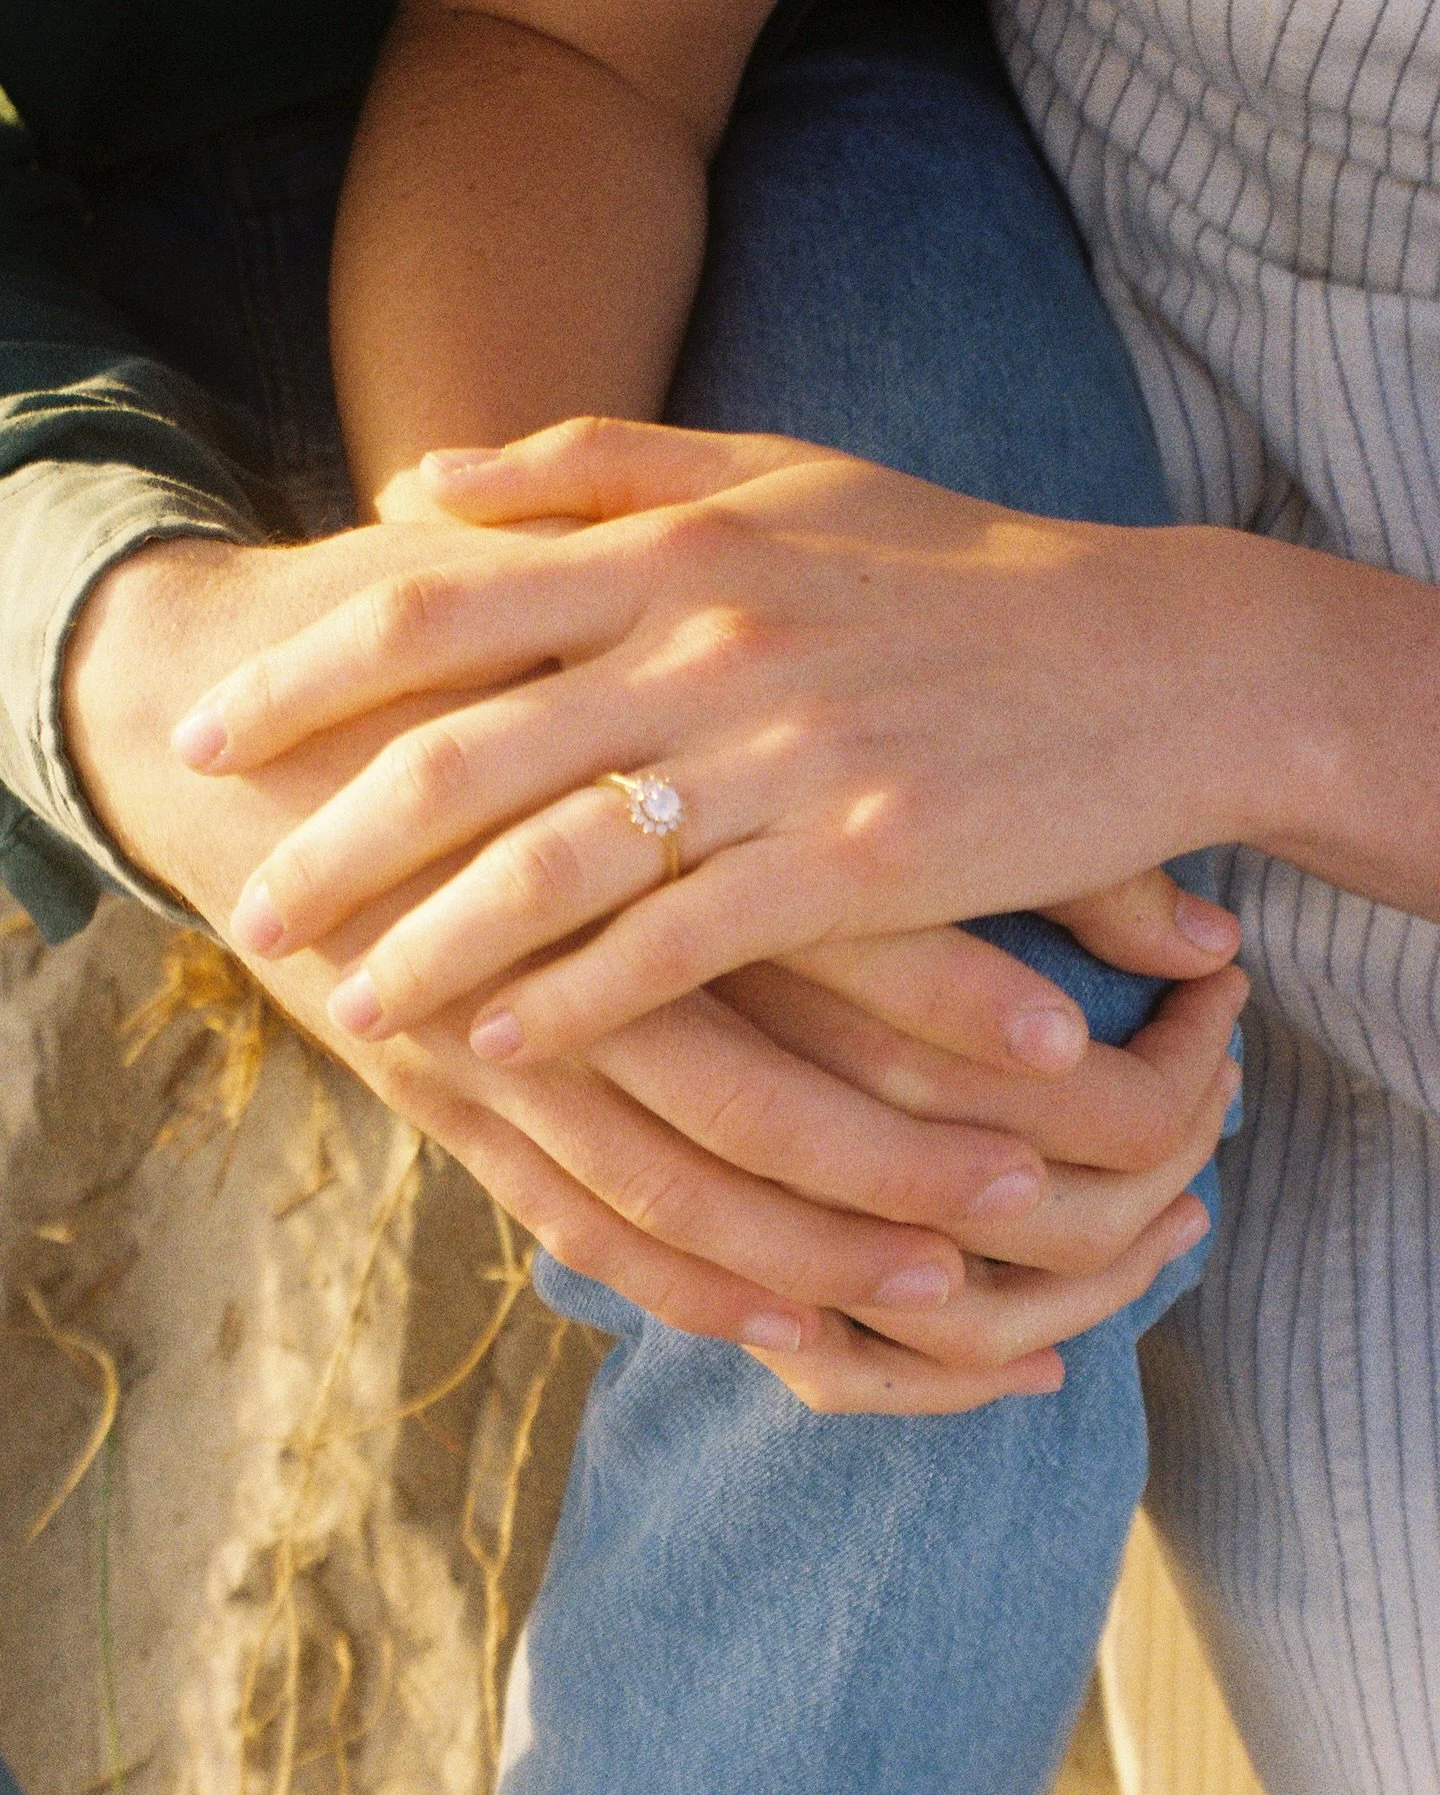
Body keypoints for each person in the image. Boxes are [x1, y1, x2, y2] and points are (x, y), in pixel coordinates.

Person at [169, 3, 1440, 1794]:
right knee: (911, 1179)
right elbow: (571, 51)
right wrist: (564, 694)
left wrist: (1255, 689)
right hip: (1060, 425)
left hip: (1234, 721)